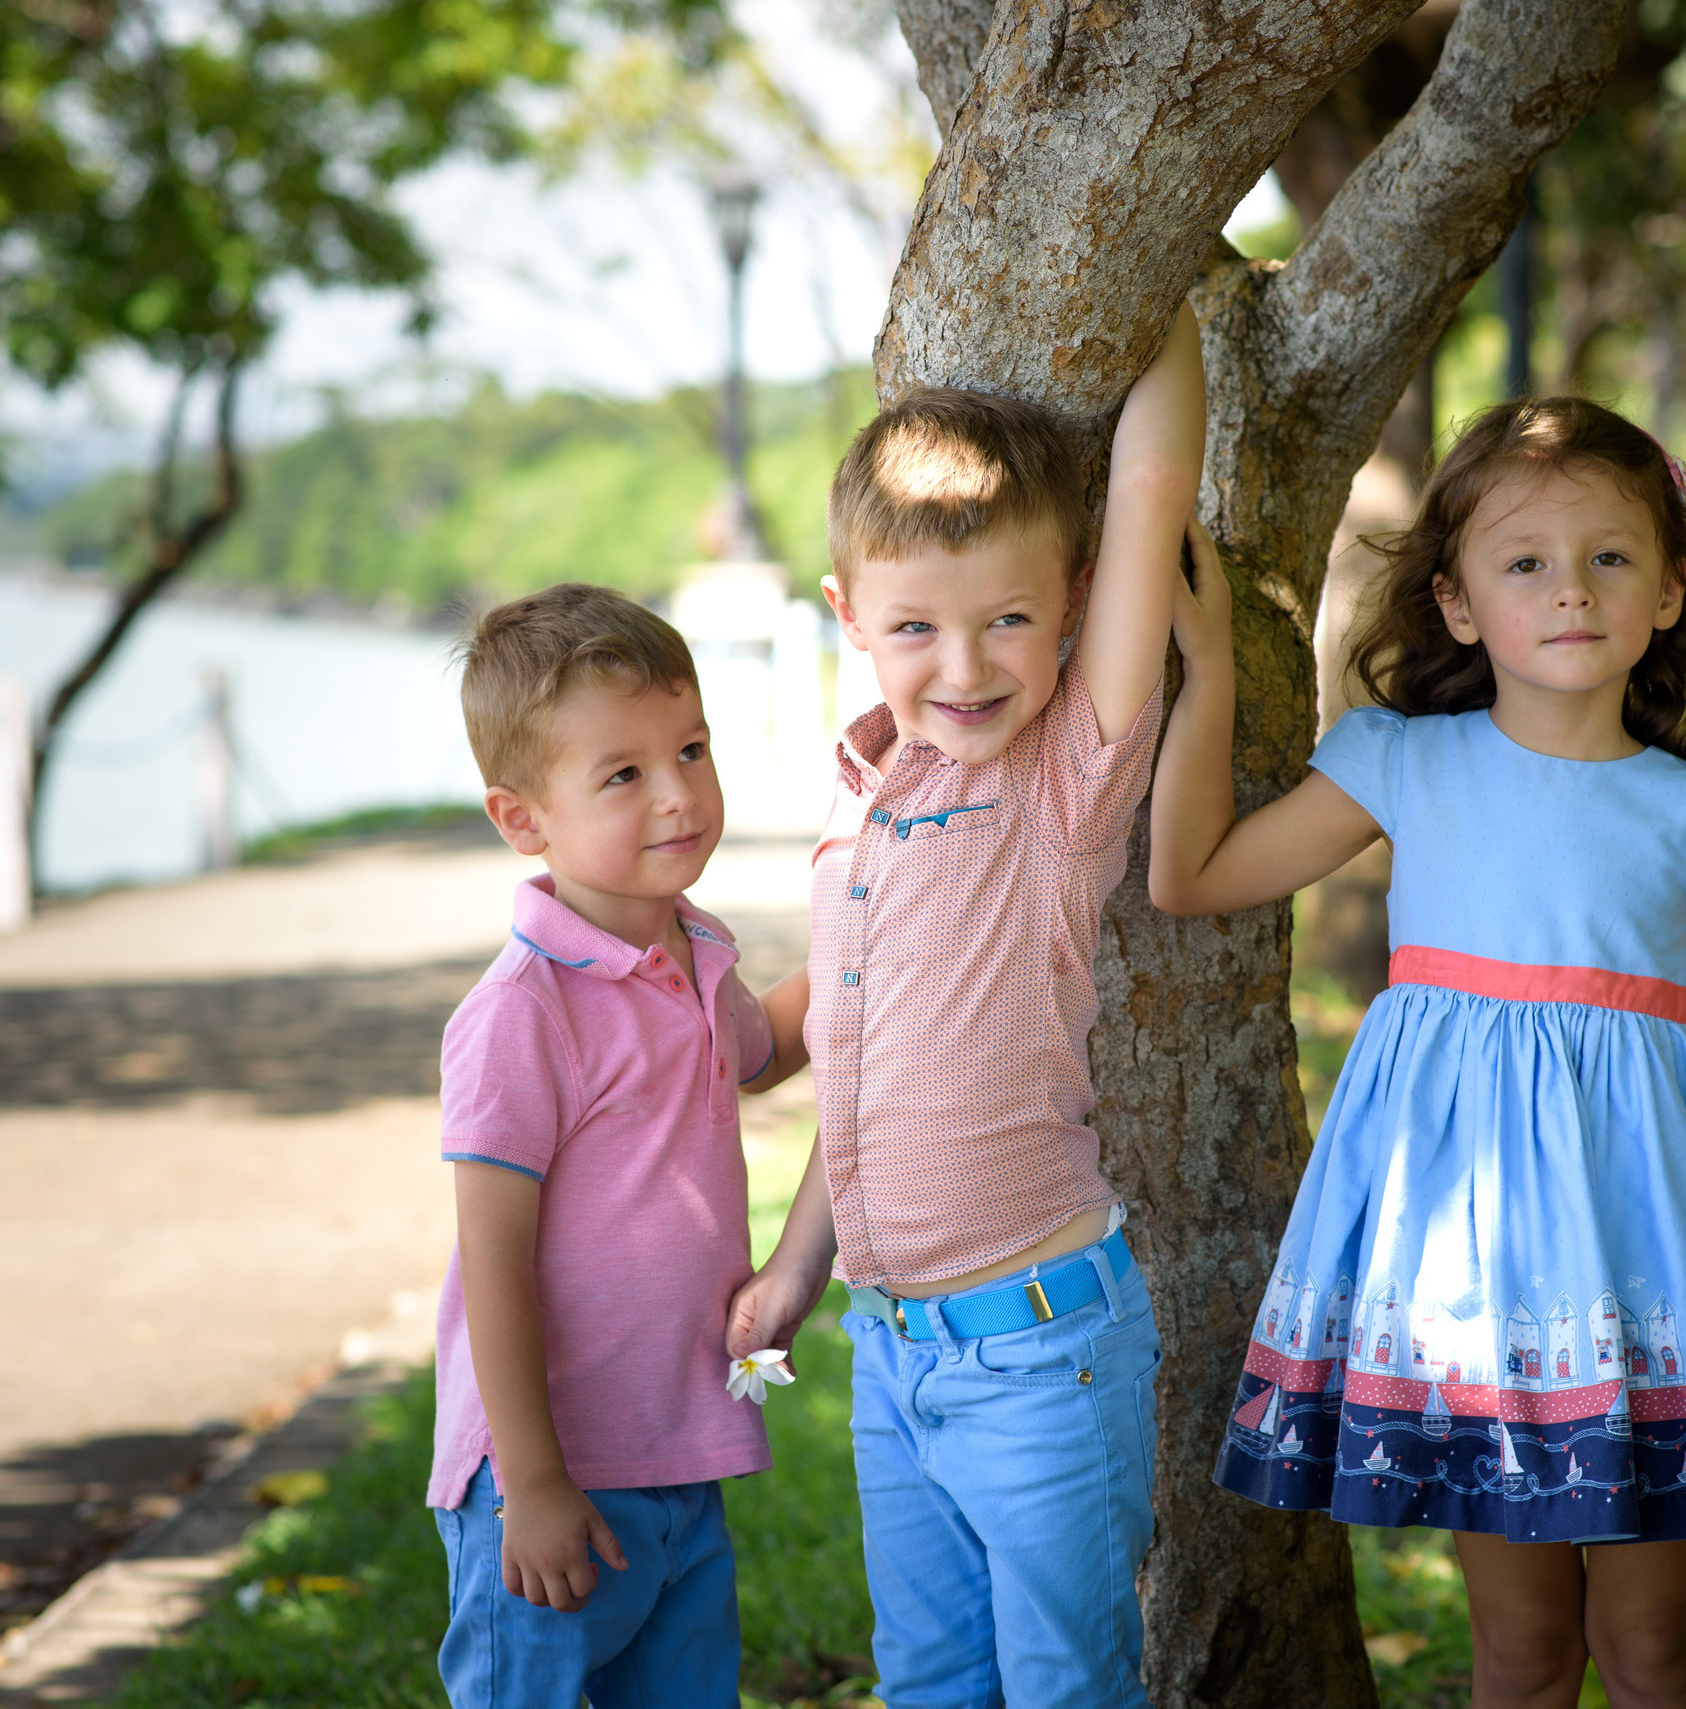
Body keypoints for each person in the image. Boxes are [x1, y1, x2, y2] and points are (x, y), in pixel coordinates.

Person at [1148, 398, 1686, 1709]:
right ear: (1460, 603)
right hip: (1466, 1290)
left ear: (1668, 592)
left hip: (1643, 1288)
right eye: (1524, 561)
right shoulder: (1403, 764)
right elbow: (1191, 876)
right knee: (1520, 1652)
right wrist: (1206, 665)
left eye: (1609, 557)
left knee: (1653, 1649)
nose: (1569, 591)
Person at [723, 306, 1207, 1709]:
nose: (968, 665)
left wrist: (1163, 297)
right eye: (917, 627)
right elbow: (863, 1090)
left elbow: (1152, 489)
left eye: (1011, 619)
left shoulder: (1060, 783)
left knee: (1067, 1685)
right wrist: (794, 1268)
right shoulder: (857, 807)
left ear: (1069, 602)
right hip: (893, 1361)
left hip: (1040, 1352)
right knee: (930, 1679)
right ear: (848, 620)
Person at [429, 583, 810, 1709]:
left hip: (679, 1448)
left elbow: (765, 1044)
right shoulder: (521, 1012)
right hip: (547, 1475)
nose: (679, 792)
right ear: (522, 818)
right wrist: (534, 1482)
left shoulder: (693, 954)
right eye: (624, 773)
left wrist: (871, 943)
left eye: (689, 748)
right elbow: (491, 1261)